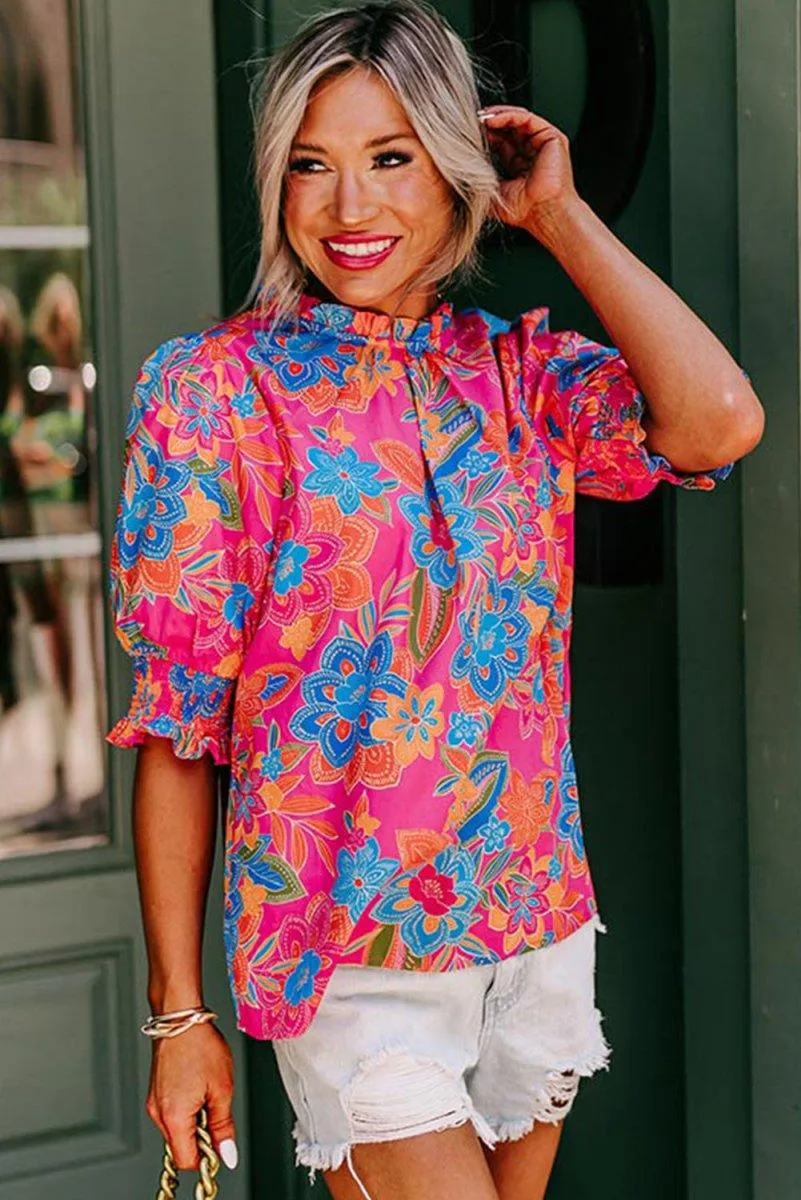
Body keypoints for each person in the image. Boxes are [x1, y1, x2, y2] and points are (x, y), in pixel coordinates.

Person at [107, 3, 764, 1198]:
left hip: (532, 927)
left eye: (392, 158)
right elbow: (178, 721)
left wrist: (557, 213)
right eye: (312, 165)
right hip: (347, 961)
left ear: (460, 175)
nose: (350, 208)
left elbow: (718, 423)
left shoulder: (524, 376)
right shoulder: (213, 395)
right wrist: (176, 1013)